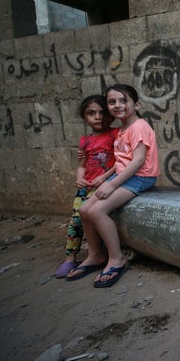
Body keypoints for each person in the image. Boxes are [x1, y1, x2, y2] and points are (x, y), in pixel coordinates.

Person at [65, 84, 159, 288]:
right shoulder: (121, 130)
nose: (117, 105)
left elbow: (138, 161)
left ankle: (117, 258)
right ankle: (96, 255)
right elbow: (116, 158)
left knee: (97, 211)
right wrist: (101, 176)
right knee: (84, 210)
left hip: (140, 177)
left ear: (137, 104)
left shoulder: (139, 126)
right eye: (112, 101)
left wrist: (111, 184)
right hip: (122, 176)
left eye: (123, 100)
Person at [54, 95, 119, 278]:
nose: (98, 117)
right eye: (92, 113)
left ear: (110, 115)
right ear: (85, 117)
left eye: (102, 113)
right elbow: (82, 165)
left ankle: (102, 253)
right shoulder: (85, 141)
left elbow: (121, 161)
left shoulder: (115, 135)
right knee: (75, 221)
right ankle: (70, 258)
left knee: (95, 217)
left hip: (104, 185)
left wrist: (105, 177)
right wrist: (79, 177)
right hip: (85, 187)